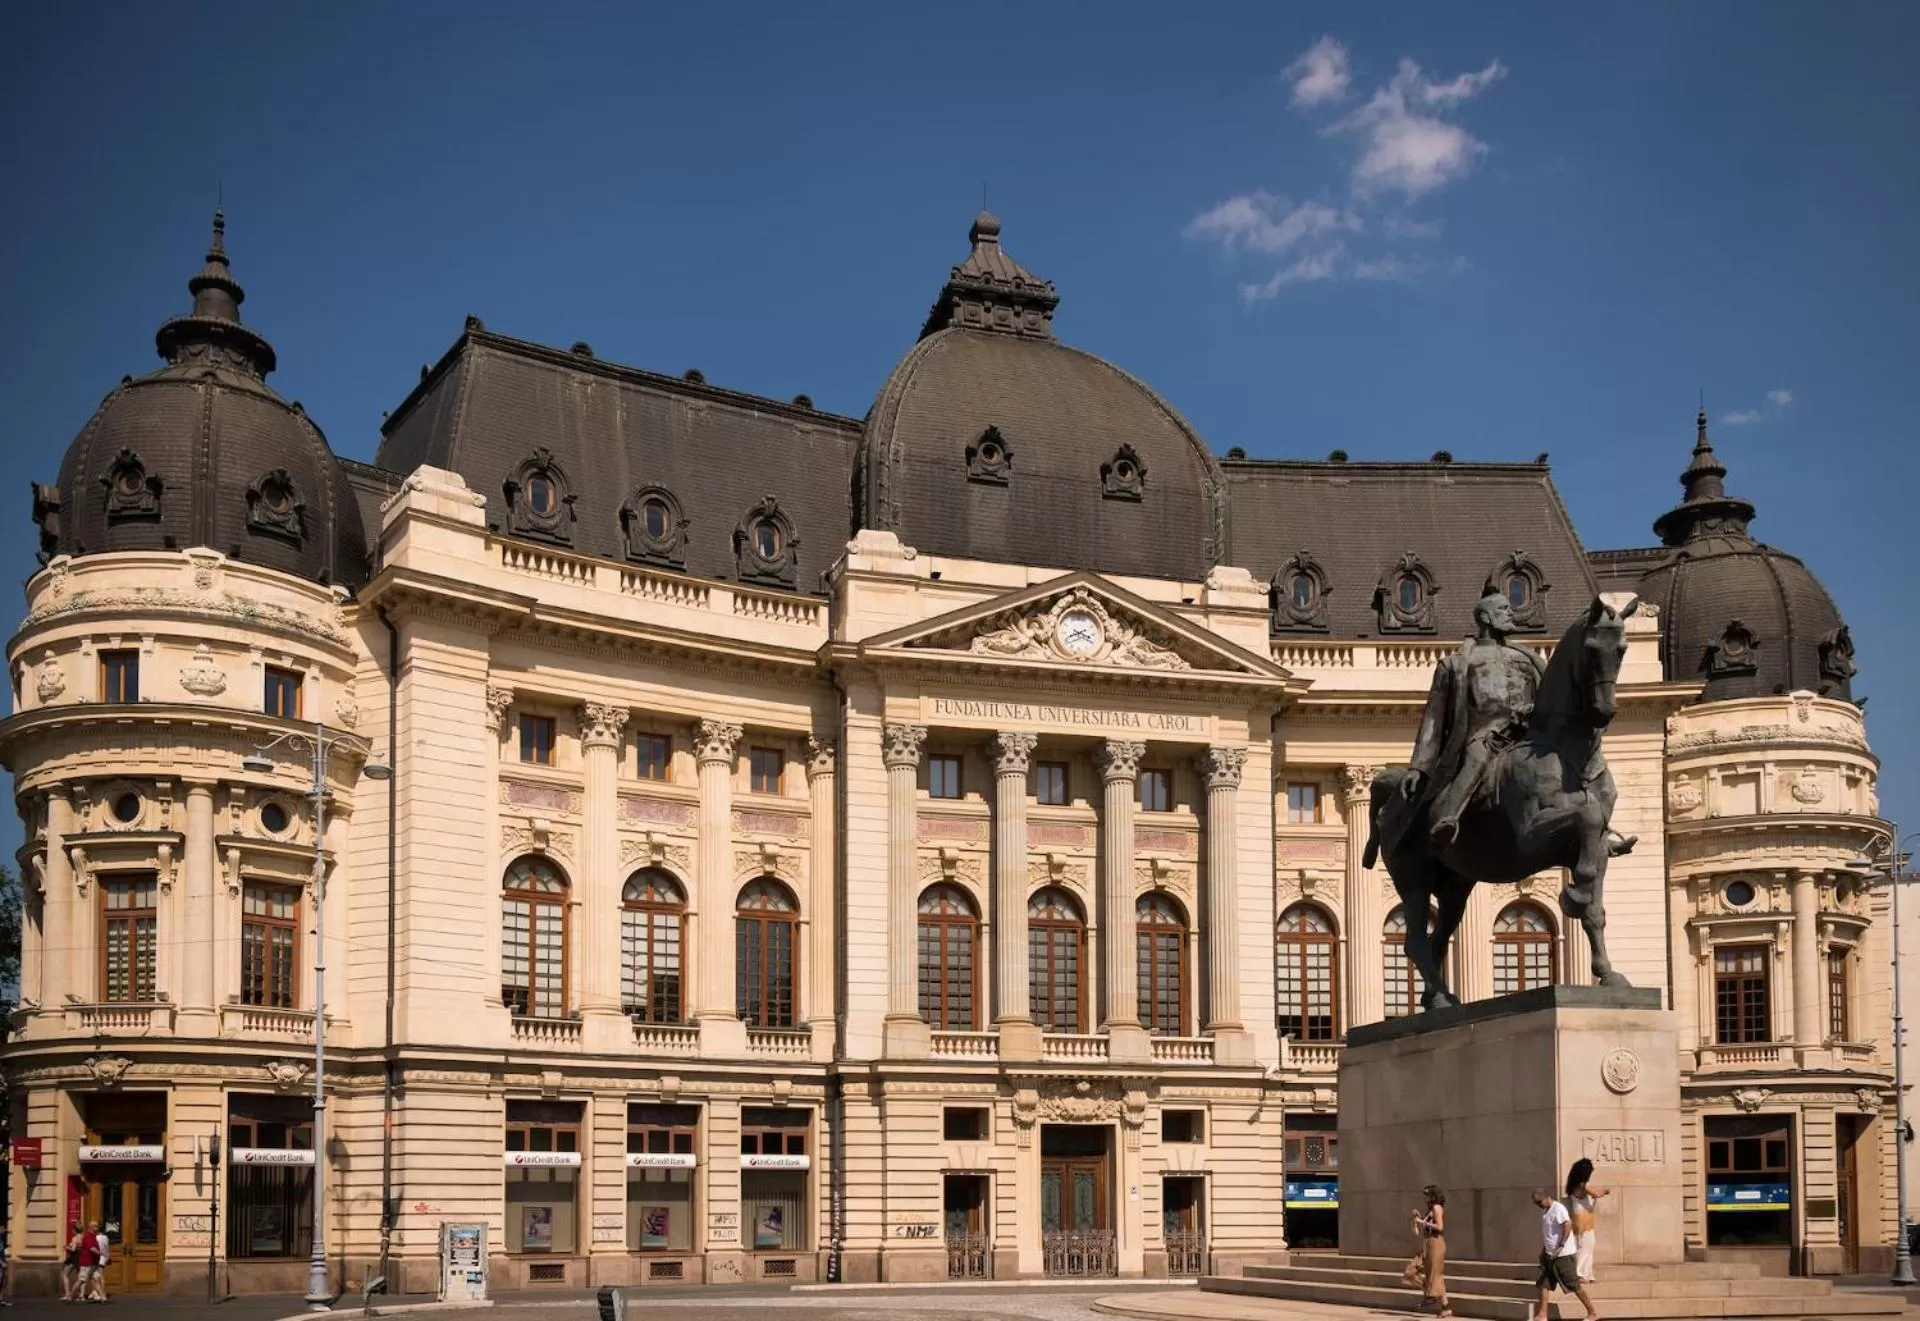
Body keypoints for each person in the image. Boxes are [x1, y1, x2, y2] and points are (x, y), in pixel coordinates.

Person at [1405, 591, 1634, 857]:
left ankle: (1598, 834)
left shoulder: (1527, 657)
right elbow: (1434, 717)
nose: (1509, 613)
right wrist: (1419, 767)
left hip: (1528, 732)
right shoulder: (1459, 663)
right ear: (1485, 617)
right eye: (1502, 609)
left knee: (1574, 764)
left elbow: (1550, 694)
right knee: (1476, 758)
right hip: (1486, 733)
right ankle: (1448, 818)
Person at [1533, 1189, 1600, 1321]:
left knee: (1574, 1285)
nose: (1538, 1205)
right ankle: (1542, 1315)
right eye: (1536, 1203)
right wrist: (1544, 1252)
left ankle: (1593, 1313)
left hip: (1563, 1256)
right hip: (1549, 1256)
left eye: (1539, 1202)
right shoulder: (1546, 1212)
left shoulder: (1558, 1209)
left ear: (1547, 1197)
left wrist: (1561, 1246)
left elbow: (1567, 1226)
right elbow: (1549, 1236)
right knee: (1543, 1284)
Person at [1566, 1157, 1610, 1283]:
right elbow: (1595, 1193)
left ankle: (1587, 1274)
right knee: (1584, 1244)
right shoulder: (1582, 1185)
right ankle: (1579, 1273)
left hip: (1583, 1216)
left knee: (1588, 1244)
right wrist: (1604, 1191)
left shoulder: (1575, 1185)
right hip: (1582, 1217)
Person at [1413, 1184, 1451, 1317]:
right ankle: (1435, 1298)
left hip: (1436, 1242)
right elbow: (1419, 1230)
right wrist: (1417, 1221)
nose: (1426, 1198)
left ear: (1434, 1196)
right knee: (1421, 1272)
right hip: (1428, 1241)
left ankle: (1434, 1298)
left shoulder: (1437, 1208)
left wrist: (1423, 1222)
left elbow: (1440, 1227)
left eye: (1428, 1195)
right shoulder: (1430, 1209)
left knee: (1436, 1274)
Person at [75, 1220, 107, 1304]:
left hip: (93, 1262)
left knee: (96, 1279)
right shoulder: (88, 1236)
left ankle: (102, 1297)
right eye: (96, 1226)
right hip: (87, 1262)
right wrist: (101, 1254)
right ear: (92, 1227)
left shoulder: (94, 1236)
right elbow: (92, 1248)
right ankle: (70, 1295)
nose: (98, 1228)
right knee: (81, 1280)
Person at [59, 1223, 82, 1303]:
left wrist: (66, 1247)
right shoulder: (82, 1237)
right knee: (80, 1276)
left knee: (64, 1274)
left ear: (76, 1230)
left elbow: (73, 1249)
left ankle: (67, 1294)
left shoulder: (75, 1238)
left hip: (74, 1258)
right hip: (80, 1257)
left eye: (73, 1229)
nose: (72, 1231)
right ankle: (80, 1295)